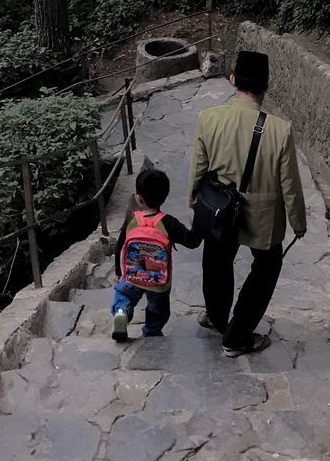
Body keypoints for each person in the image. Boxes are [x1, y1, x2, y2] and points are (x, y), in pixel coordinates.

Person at [188, 49, 307, 357]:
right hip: (263, 217)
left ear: (232, 81)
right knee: (266, 267)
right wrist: (298, 221)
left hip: (219, 209)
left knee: (216, 260)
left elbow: (199, 168)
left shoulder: (208, 119)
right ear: (266, 86)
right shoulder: (280, 131)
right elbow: (290, 184)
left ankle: (216, 318)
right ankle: (237, 335)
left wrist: (194, 201)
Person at [112, 166, 202, 342]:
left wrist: (118, 272)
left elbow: (119, 247)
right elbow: (192, 242)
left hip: (132, 276)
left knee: (123, 296)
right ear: (165, 196)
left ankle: (122, 312)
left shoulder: (132, 219)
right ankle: (152, 332)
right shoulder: (168, 223)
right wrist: (200, 219)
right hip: (158, 282)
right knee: (157, 310)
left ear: (138, 197)